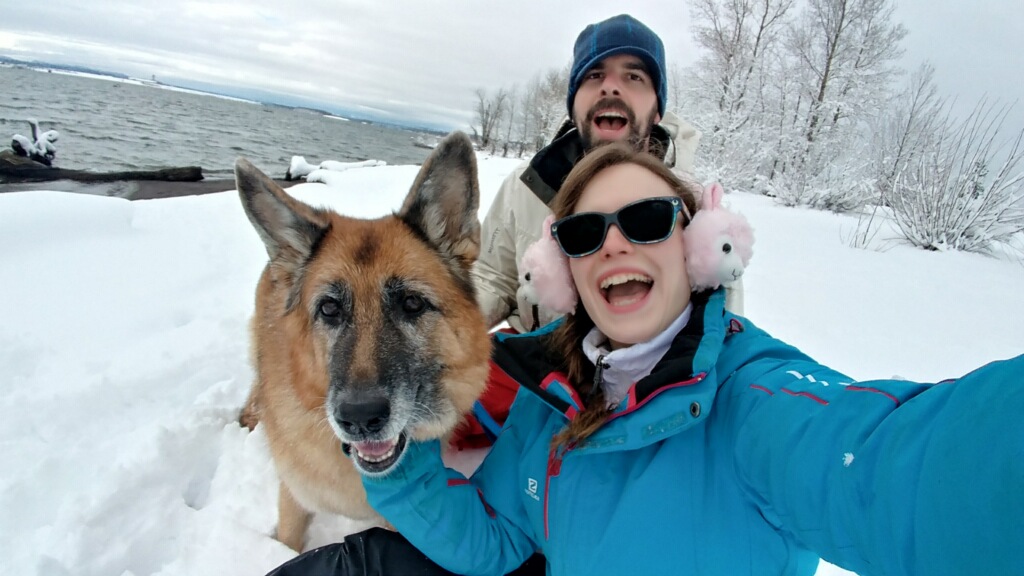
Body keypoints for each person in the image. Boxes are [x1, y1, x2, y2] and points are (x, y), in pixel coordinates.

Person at [269, 143, 1023, 576]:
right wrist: (392, 458)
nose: (616, 244)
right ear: (564, 270)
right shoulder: (548, 410)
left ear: (696, 250)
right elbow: (495, 541)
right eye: (586, 233)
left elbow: (905, 470)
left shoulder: (754, 404)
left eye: (646, 220)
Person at [456, 13, 743, 450]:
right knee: (422, 404)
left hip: (649, 386)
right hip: (537, 358)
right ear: (574, 103)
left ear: (657, 106)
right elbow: (493, 277)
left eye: (634, 76)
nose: (612, 86)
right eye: (594, 75)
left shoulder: (692, 210)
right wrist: (451, 333)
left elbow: (722, 328)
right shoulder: (524, 187)